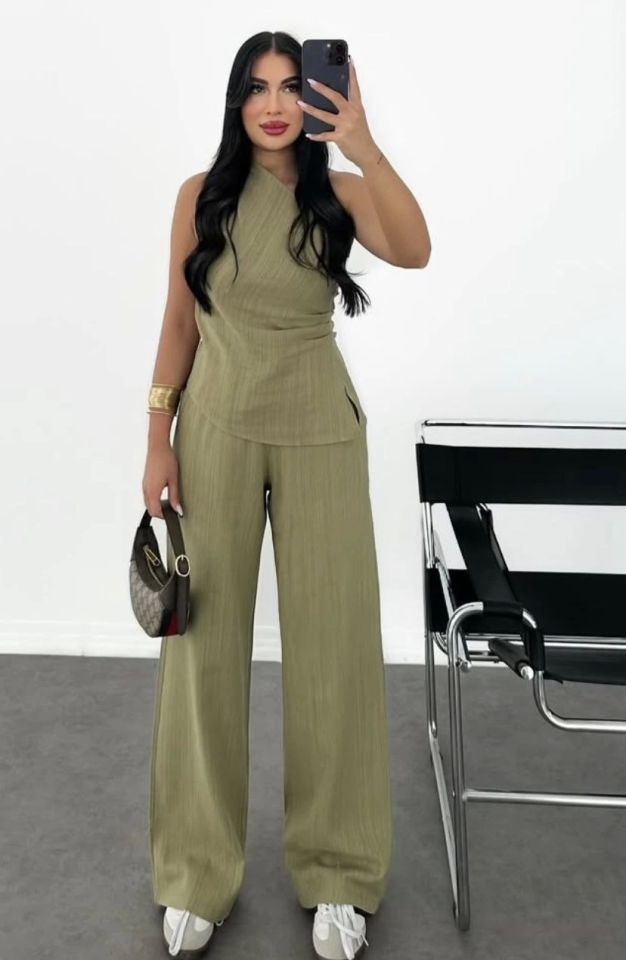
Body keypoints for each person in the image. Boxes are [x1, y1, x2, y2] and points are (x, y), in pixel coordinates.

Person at [142, 29, 431, 960]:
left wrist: (365, 145)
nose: (273, 105)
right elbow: (178, 321)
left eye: (289, 87)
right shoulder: (201, 196)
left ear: (314, 97)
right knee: (202, 650)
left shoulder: (338, 192)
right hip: (215, 429)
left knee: (335, 650)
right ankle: (197, 871)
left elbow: (416, 250)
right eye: (256, 88)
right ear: (237, 101)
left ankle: (340, 872)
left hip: (320, 430)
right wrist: (157, 437)